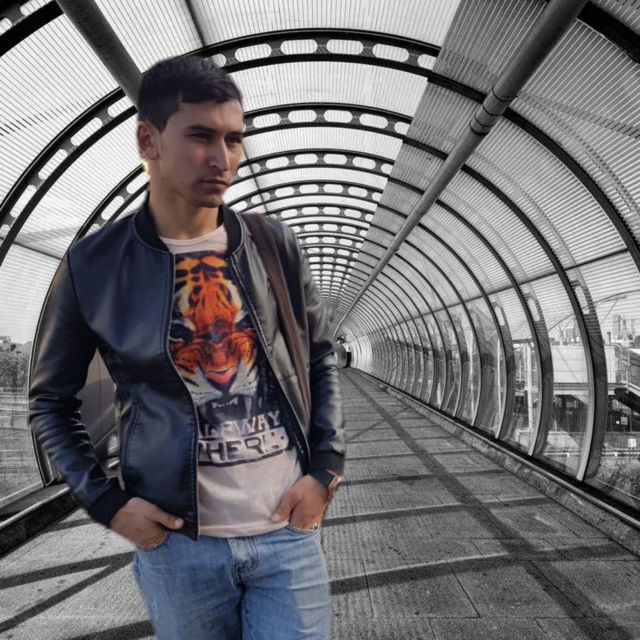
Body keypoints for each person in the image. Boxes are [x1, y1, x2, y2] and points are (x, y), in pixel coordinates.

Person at [29, 55, 346, 640]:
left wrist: (325, 469)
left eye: (234, 139)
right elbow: (50, 401)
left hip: (286, 530)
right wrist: (106, 503)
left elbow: (320, 358)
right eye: (201, 136)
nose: (222, 159)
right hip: (178, 543)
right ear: (147, 141)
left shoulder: (273, 244)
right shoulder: (94, 266)